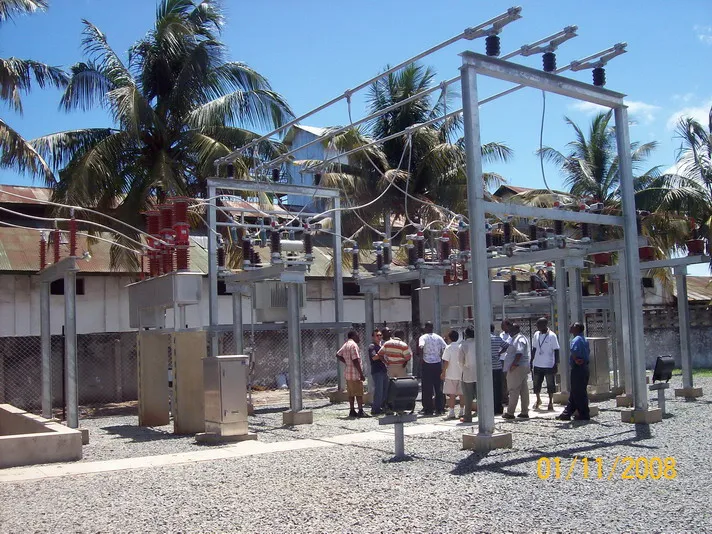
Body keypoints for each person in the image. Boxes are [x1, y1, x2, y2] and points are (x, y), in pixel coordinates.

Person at [557, 322, 591, 421]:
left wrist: (576, 360)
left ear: (577, 329)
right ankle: (567, 413)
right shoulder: (584, 339)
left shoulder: (576, 339)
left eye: (572, 326)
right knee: (576, 391)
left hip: (578, 368)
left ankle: (584, 414)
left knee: (578, 392)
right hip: (584, 368)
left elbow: (574, 351)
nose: (570, 327)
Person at [531, 317, 560, 411]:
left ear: (544, 325)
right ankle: (538, 399)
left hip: (548, 364)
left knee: (550, 384)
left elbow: (556, 350)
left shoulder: (552, 336)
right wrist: (531, 360)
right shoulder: (536, 334)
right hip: (537, 364)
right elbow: (534, 348)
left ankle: (550, 402)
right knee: (536, 384)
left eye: (539, 325)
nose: (537, 326)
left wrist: (556, 364)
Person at [336, 330, 368, 418]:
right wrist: (361, 374)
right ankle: (360, 410)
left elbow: (338, 354)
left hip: (348, 373)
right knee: (359, 393)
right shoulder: (353, 345)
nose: (359, 338)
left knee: (351, 393)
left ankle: (352, 410)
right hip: (355, 373)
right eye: (357, 336)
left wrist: (347, 362)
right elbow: (355, 360)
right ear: (353, 336)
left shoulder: (346, 344)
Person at [502, 322, 530, 420]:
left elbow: (519, 352)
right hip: (520, 367)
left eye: (511, 330)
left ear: (516, 330)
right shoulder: (515, 339)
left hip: (517, 368)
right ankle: (524, 412)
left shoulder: (519, 339)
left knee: (513, 390)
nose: (509, 331)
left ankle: (510, 412)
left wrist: (514, 364)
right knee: (523, 390)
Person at [418, 321, 447, 415]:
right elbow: (445, 347)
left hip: (427, 363)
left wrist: (421, 358)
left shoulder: (423, 337)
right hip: (437, 363)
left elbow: (421, 346)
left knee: (427, 388)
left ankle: (428, 409)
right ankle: (440, 408)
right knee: (438, 387)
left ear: (426, 328)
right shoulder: (438, 337)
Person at [440, 330, 463, 420]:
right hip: (461, 373)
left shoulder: (448, 348)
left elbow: (446, 361)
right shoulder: (460, 347)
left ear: (449, 338)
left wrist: (443, 372)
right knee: (462, 394)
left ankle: (452, 412)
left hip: (450, 374)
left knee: (452, 394)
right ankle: (462, 411)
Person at [458, 326, 477, 423]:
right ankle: (483, 414)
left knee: (468, 396)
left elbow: (460, 361)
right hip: (479, 373)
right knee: (480, 395)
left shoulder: (463, 345)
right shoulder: (479, 343)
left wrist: (464, 369)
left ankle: (468, 416)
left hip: (468, 372)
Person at [367, 329, 387, 416]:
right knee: (378, 391)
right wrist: (383, 353)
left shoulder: (382, 345)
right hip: (377, 371)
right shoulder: (372, 346)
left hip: (384, 370)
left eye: (380, 335)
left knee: (385, 390)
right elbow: (374, 357)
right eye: (377, 335)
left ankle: (383, 406)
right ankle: (375, 409)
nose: (379, 337)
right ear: (373, 337)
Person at [490, 324, 507, 415]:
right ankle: (499, 408)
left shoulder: (483, 339)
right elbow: (507, 346)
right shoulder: (497, 338)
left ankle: (491, 407)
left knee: (489, 388)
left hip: (487, 367)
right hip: (497, 366)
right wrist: (500, 352)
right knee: (498, 388)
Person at [499, 319, 512, 406]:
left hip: (509, 359)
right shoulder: (501, 335)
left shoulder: (512, 335)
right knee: (503, 380)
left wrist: (500, 352)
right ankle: (505, 398)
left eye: (503, 325)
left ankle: (510, 397)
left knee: (509, 379)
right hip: (502, 359)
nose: (502, 327)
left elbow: (507, 346)